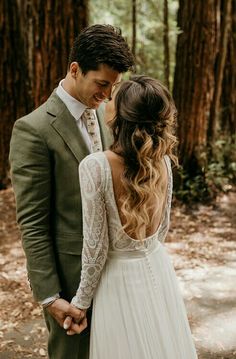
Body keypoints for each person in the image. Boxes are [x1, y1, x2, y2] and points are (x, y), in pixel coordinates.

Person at [9, 24, 134, 359]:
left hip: (114, 274)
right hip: (70, 282)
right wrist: (49, 296)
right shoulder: (32, 130)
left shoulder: (105, 118)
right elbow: (33, 222)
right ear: (75, 69)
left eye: (114, 87)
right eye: (102, 84)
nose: (108, 96)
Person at [65, 75, 198, 359]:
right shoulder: (162, 160)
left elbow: (95, 248)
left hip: (118, 281)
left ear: (121, 115)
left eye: (112, 96)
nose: (106, 97)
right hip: (158, 270)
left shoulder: (96, 166)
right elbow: (162, 230)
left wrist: (80, 303)